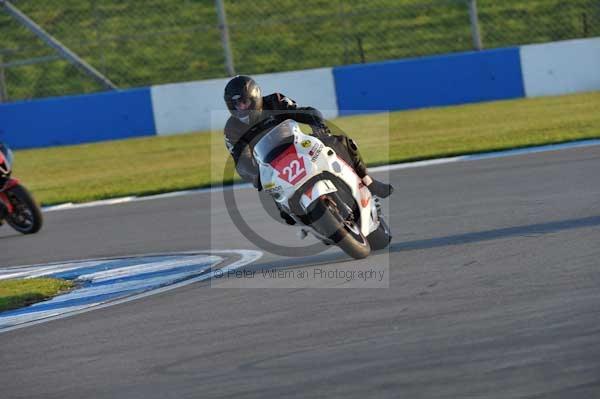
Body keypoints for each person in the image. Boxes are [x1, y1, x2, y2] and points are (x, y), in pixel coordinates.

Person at [223, 75, 393, 224]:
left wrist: (317, 123)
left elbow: (303, 112)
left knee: (340, 142)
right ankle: (309, 222)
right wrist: (255, 175)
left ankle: (369, 181)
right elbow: (241, 159)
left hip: (298, 146)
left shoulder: (275, 101)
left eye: (244, 102)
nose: (241, 108)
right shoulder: (232, 129)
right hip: (272, 166)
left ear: (255, 97)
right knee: (285, 214)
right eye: (236, 104)